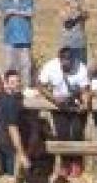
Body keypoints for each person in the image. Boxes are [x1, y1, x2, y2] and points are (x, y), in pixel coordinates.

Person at [0, 69, 54, 183]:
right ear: (6, 84)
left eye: (18, 82)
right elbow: (13, 129)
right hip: (11, 143)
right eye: (12, 82)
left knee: (12, 179)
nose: (16, 85)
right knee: (13, 180)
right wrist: (21, 153)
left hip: (3, 141)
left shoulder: (5, 97)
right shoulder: (12, 103)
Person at [37, 47, 91, 175]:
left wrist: (85, 103)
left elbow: (85, 90)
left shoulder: (81, 68)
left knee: (77, 134)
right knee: (62, 135)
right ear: (59, 59)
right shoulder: (50, 66)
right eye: (64, 61)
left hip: (76, 104)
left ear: (73, 60)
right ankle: (65, 166)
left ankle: (77, 166)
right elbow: (40, 85)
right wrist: (54, 99)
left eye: (69, 61)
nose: (66, 63)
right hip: (59, 105)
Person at [0, 0, 36, 79]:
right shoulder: (4, 0)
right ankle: (9, 88)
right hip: (9, 38)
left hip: (25, 38)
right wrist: (7, 13)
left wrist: (13, 11)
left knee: (26, 65)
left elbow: (30, 13)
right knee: (9, 65)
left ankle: (26, 88)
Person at [58, 0, 89, 64]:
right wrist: (73, 8)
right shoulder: (63, 9)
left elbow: (86, 15)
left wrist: (78, 8)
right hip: (67, 44)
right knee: (67, 66)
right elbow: (67, 22)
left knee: (82, 67)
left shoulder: (80, 8)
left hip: (80, 44)